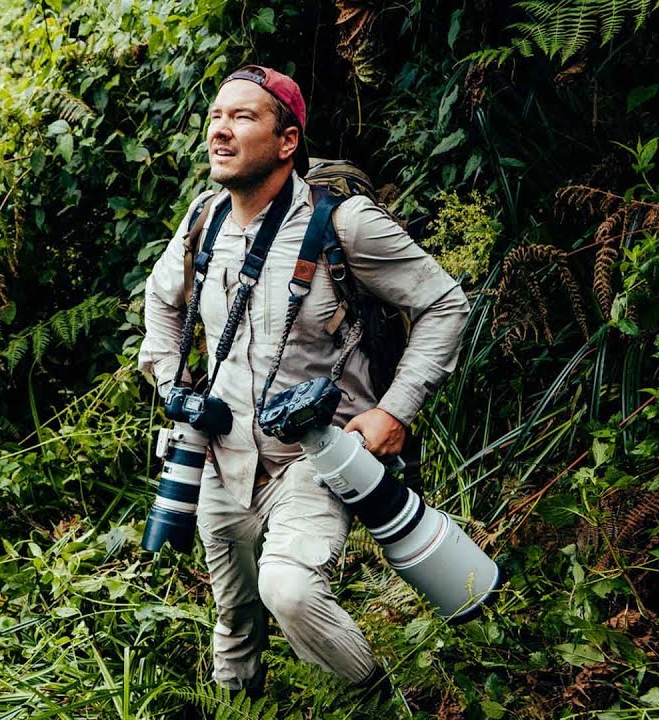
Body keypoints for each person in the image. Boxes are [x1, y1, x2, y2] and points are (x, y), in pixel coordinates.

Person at [138, 65, 469, 697]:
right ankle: (240, 707)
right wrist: (171, 382)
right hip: (221, 456)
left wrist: (394, 411)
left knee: (285, 588)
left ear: (287, 141)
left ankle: (377, 699)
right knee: (232, 623)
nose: (221, 132)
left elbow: (444, 305)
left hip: (317, 454)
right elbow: (161, 299)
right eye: (215, 117)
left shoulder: (344, 225)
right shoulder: (203, 221)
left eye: (243, 118)